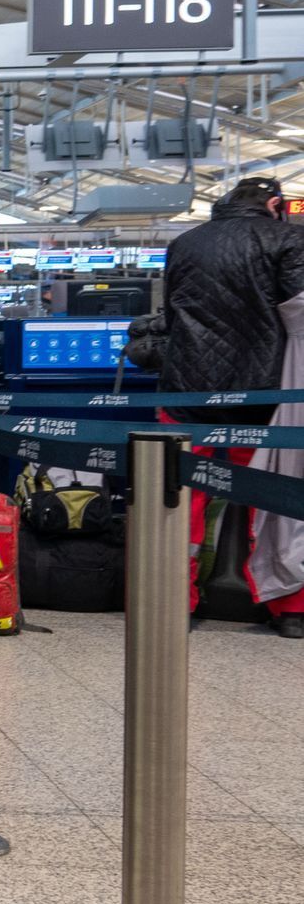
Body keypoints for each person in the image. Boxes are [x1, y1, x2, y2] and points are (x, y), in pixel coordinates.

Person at [160, 175, 304, 635]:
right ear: (275, 204)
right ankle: (290, 608)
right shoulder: (288, 239)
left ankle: (171, 600)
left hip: (185, 388)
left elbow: (171, 314)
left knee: (178, 493)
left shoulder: (185, 242)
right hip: (266, 391)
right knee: (274, 495)